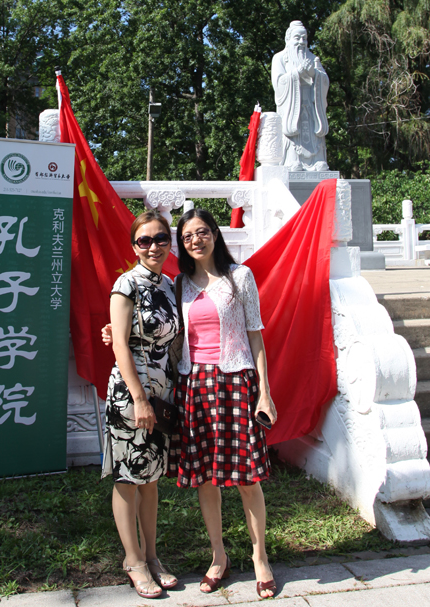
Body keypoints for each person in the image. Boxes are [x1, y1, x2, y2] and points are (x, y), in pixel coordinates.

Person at [168, 208, 277, 599]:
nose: (195, 240)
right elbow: (166, 334)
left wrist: (264, 391)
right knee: (206, 478)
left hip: (235, 382)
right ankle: (219, 556)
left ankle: (260, 556)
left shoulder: (240, 277)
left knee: (247, 478)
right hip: (195, 385)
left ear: (215, 233)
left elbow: (256, 337)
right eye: (187, 236)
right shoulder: (178, 284)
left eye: (202, 232)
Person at [101, 209, 179, 599]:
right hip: (132, 394)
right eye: (144, 241)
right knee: (129, 478)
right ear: (134, 246)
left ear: (169, 241)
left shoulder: (168, 284)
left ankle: (152, 556)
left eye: (160, 238)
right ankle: (132, 559)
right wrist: (139, 399)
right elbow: (119, 344)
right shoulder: (125, 284)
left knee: (151, 478)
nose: (153, 246)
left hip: (162, 392)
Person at [271, 20, 329, 171]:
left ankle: (318, 161)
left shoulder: (313, 58)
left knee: (313, 131)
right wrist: (297, 73)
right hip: (292, 107)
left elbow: (324, 81)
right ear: (288, 39)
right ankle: (292, 161)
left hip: (311, 105)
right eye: (297, 38)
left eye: (304, 38)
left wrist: (314, 74)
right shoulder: (280, 58)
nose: (301, 42)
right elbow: (278, 83)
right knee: (293, 133)